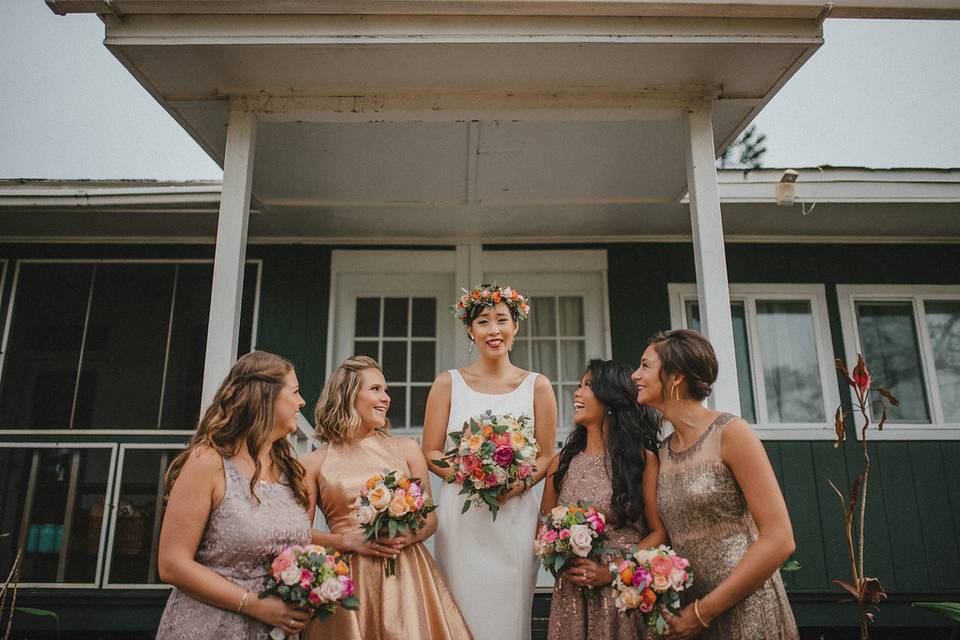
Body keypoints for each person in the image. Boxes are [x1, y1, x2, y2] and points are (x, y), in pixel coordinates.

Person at [632, 329, 798, 640]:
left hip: (747, 611)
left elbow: (780, 539)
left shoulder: (732, 434)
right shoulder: (662, 454)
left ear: (676, 377)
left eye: (645, 366)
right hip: (690, 619)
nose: (634, 375)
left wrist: (703, 612)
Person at [302, 356, 472, 640]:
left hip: (405, 573)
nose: (386, 398)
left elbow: (430, 519)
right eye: (376, 389)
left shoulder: (406, 449)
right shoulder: (314, 463)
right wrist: (344, 541)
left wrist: (407, 536)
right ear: (347, 394)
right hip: (346, 581)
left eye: (386, 390)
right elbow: (298, 533)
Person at [422, 284, 557, 640]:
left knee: (510, 615)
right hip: (462, 516)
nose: (493, 330)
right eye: (483, 321)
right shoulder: (447, 383)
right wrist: (470, 476)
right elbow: (432, 452)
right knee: (460, 608)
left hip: (514, 514)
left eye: (501, 320)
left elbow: (546, 455)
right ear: (470, 329)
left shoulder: (537, 386)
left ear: (516, 326)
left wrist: (520, 484)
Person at [156, 351, 313, 640]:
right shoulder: (209, 462)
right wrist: (254, 604)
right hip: (213, 626)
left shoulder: (289, 473)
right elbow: (172, 564)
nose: (302, 402)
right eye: (295, 392)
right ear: (265, 396)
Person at [540, 359, 666, 640]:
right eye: (578, 385)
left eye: (587, 386)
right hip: (572, 594)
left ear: (610, 399)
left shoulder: (642, 460)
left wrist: (612, 571)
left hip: (622, 592)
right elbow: (543, 528)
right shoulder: (562, 462)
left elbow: (658, 532)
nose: (576, 393)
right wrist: (558, 549)